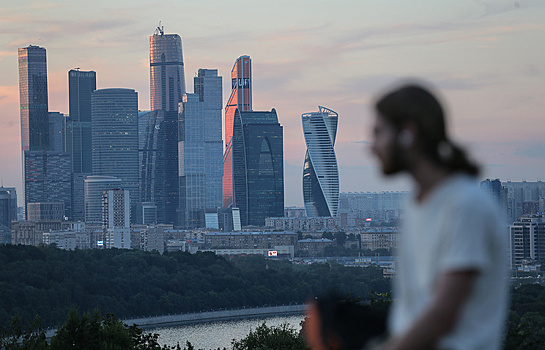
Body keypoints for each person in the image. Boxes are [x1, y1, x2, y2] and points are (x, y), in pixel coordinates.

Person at [369, 82, 509, 350]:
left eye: (379, 133)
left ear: (408, 134)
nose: (372, 147)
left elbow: (443, 314)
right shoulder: (415, 205)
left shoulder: (465, 204)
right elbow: (415, 314)